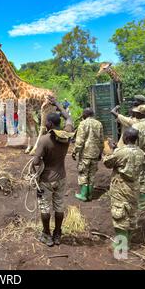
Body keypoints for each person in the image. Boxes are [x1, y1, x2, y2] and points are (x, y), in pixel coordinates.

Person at [33, 98, 75, 247]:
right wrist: (57, 104)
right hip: (61, 177)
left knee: (45, 206)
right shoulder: (67, 135)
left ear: (49, 124)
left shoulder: (44, 140)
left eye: (46, 122)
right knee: (59, 206)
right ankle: (57, 234)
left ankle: (47, 235)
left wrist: (37, 162)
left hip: (46, 179)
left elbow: (36, 162)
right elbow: (69, 118)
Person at [103, 128, 145, 249]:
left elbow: (107, 163)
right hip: (135, 187)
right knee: (132, 214)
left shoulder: (120, 152)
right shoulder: (140, 152)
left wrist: (109, 150)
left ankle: (120, 246)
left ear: (125, 138)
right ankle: (128, 242)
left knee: (120, 215)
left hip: (121, 187)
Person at [73, 108, 104, 202]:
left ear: (84, 115)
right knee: (92, 174)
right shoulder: (99, 124)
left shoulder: (83, 124)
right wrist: (100, 152)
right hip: (95, 153)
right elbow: (101, 141)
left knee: (83, 173)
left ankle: (83, 195)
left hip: (85, 153)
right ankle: (90, 195)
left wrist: (75, 151)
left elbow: (80, 140)